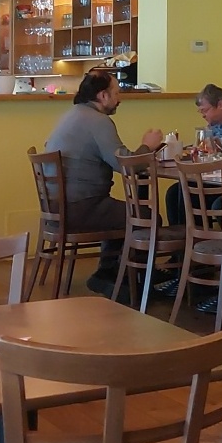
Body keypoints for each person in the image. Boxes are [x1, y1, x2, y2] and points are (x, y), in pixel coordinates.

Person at [45, 71, 162, 296]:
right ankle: (133, 283)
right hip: (81, 207)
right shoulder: (98, 121)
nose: (120, 99)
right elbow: (125, 165)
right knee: (146, 217)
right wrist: (148, 146)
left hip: (59, 206)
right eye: (116, 93)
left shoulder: (72, 115)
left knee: (120, 212)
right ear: (102, 96)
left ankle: (109, 273)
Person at [165, 84, 222, 226]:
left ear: (220, 105)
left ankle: (200, 235)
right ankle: (185, 236)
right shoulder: (212, 125)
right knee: (175, 193)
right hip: (213, 178)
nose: (203, 115)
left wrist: (219, 150)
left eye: (205, 110)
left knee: (188, 193)